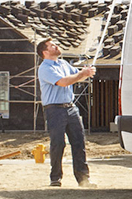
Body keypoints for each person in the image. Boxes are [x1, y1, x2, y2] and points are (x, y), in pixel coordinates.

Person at [36, 38, 97, 188]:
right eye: (52, 45)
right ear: (45, 52)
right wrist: (81, 73)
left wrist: (86, 72)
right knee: (58, 143)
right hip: (54, 109)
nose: (56, 46)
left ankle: (84, 179)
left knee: (79, 142)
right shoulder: (45, 68)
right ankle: (55, 178)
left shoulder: (63, 64)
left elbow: (77, 76)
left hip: (70, 107)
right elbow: (63, 82)